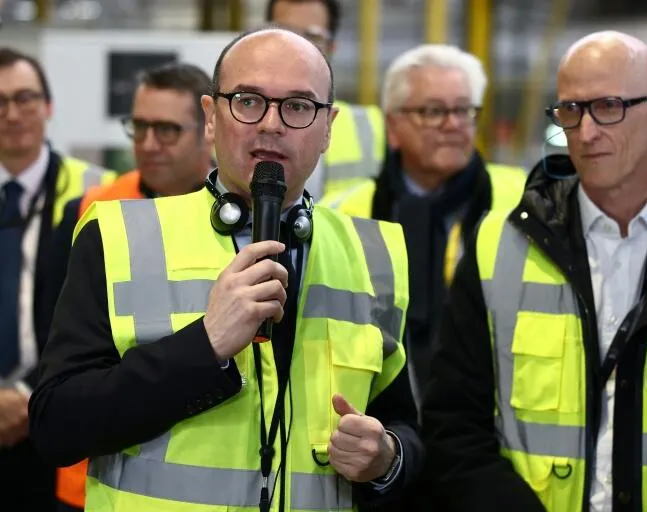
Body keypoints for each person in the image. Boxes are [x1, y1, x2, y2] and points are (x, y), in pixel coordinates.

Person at [29, 28, 423, 511]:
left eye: (298, 106)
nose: (271, 124)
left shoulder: (374, 254)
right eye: (248, 101)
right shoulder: (119, 237)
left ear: (328, 127)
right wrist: (205, 345)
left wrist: (387, 458)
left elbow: (404, 426)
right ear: (211, 117)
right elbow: (56, 426)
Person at [421, 30, 647, 512]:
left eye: (608, 107)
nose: (585, 133)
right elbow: (453, 426)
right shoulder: (496, 248)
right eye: (571, 110)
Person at [49, 61, 215, 512]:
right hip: (91, 476)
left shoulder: (241, 222)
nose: (148, 144)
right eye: (139, 127)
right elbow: (55, 340)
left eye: (167, 130)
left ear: (209, 129)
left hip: (198, 475)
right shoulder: (92, 211)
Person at [322, 43, 527, 405]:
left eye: (463, 110)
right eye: (433, 111)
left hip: (495, 414)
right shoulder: (341, 215)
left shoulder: (525, 203)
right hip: (377, 414)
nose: (452, 124)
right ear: (393, 126)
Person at [0, 47, 115, 511]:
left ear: (48, 106)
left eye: (25, 98)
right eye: (0, 101)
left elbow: (103, 315)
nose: (12, 114)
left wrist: (26, 396)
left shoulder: (99, 192)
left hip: (54, 416)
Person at [266, 0, 385, 199]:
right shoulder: (234, 116)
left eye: (312, 37)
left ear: (331, 47)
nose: (297, 47)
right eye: (285, 33)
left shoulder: (373, 126)